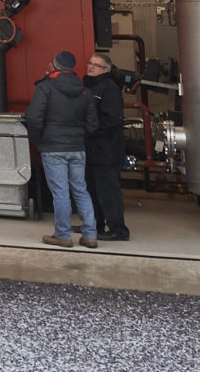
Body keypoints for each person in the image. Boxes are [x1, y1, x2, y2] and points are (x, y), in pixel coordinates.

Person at [26, 50, 100, 249]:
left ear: (54, 65)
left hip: (53, 147)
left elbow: (34, 118)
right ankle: (90, 235)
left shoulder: (46, 87)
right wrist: (78, 136)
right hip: (77, 147)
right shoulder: (85, 91)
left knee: (60, 193)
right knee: (81, 190)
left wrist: (39, 139)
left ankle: (63, 235)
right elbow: (93, 124)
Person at [83, 52, 131, 241]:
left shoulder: (108, 88)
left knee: (108, 191)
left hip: (106, 150)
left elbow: (112, 119)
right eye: (90, 63)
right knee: (92, 189)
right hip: (93, 149)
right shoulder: (88, 86)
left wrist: (90, 130)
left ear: (106, 70)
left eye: (96, 65)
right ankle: (96, 225)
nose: (91, 66)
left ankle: (118, 229)